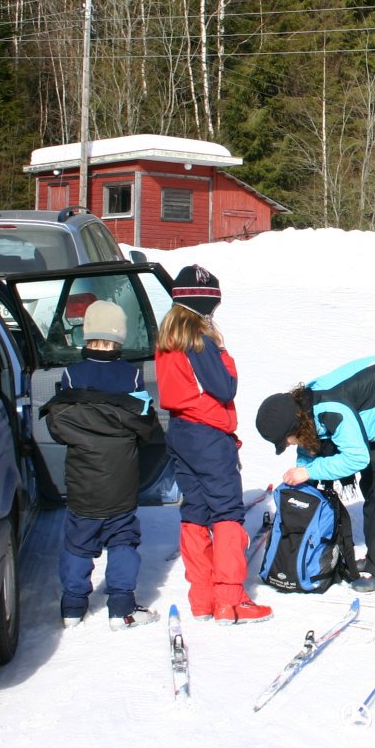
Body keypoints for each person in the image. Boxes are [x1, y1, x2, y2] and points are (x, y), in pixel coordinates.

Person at [254, 355, 375, 594]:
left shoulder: (331, 409)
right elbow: (310, 447)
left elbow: (356, 458)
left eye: (287, 441)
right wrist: (303, 475)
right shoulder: (304, 408)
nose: (290, 445)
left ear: (294, 427)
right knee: (372, 485)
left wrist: (309, 471)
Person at [156, 264, 272, 625]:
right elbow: (225, 388)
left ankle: (202, 598)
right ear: (206, 304)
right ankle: (229, 599)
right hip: (208, 434)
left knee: (195, 511)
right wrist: (223, 355)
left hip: (180, 432)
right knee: (227, 514)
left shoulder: (167, 341)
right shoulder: (200, 343)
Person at [42, 300, 163, 631]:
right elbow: (144, 425)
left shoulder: (71, 374)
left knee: (78, 541)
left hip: (83, 477)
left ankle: (73, 607)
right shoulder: (132, 375)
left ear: (86, 334)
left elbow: (63, 425)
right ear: (120, 336)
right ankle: (121, 608)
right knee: (122, 538)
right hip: (121, 475)